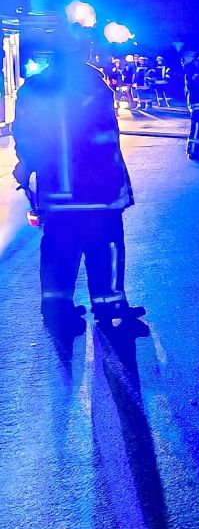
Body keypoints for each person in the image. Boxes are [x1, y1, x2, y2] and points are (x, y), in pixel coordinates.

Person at [11, 22, 144, 332]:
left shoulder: (34, 88)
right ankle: (109, 308)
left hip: (58, 192)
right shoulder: (93, 85)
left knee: (59, 249)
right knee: (104, 247)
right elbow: (107, 140)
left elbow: (26, 137)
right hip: (98, 191)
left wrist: (28, 169)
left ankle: (58, 311)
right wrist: (120, 189)